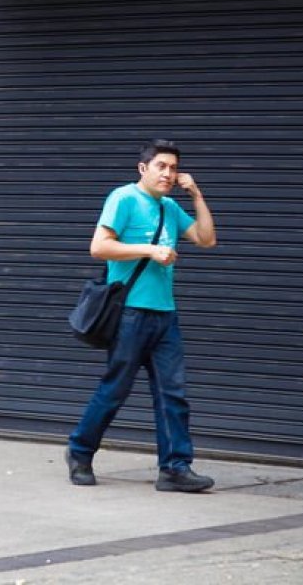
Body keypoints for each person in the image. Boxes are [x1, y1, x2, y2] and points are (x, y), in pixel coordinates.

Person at [66, 139, 218, 493]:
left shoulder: (169, 207)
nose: (168, 173)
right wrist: (150, 250)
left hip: (165, 315)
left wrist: (196, 195)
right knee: (115, 389)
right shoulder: (123, 199)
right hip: (130, 314)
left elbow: (206, 239)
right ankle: (80, 452)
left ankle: (175, 469)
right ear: (143, 168)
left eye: (173, 168)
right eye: (161, 166)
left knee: (174, 394)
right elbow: (98, 247)